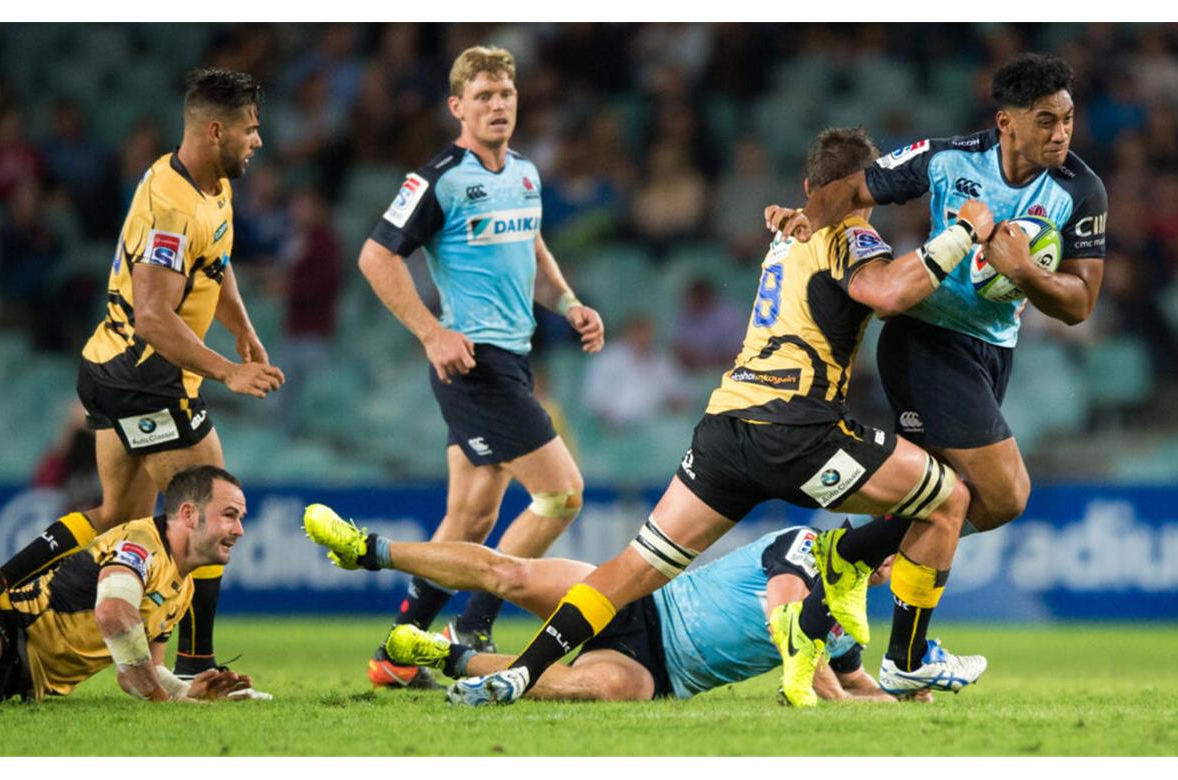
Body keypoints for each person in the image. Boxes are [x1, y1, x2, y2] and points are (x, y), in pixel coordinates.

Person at [454, 126, 992, 709]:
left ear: (808, 187)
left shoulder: (784, 239)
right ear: (870, 190)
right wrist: (964, 232)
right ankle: (904, 657)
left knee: (634, 566)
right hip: (799, 428)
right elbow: (887, 293)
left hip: (726, 428)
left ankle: (521, 672)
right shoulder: (848, 234)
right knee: (950, 498)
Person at [0, 68, 284, 686]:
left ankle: (1, 582)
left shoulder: (211, 187)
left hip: (117, 370)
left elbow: (217, 262)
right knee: (211, 505)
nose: (258, 140)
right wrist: (228, 371)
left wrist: (242, 329)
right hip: (143, 377)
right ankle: (196, 661)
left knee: (117, 513)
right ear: (214, 130)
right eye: (249, 129)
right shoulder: (169, 208)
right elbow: (152, 316)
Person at [765, 52, 1107, 544]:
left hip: (994, 351)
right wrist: (808, 217)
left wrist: (1023, 271)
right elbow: (852, 189)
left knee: (943, 501)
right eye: (1046, 121)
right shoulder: (948, 158)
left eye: (1068, 119)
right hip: (927, 339)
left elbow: (1080, 303)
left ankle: (849, 566)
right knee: (1006, 495)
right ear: (1006, 123)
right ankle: (843, 555)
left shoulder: (1082, 191)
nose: (1061, 134)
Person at [356, 45, 604, 688]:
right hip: (474, 362)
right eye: (484, 97)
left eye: (506, 95)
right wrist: (432, 332)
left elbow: (533, 248)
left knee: (469, 519)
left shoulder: (525, 173)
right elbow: (376, 257)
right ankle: (474, 624)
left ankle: (398, 651)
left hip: (512, 359)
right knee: (561, 494)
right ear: (457, 107)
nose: (497, 106)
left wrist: (569, 303)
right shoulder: (437, 179)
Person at [302, 504, 939, 703]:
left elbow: (853, 682)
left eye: (899, 561)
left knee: (596, 687)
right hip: (643, 601)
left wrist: (899, 698)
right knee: (512, 575)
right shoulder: (804, 545)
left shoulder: (849, 617)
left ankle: (442, 656)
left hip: (660, 672)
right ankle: (371, 548)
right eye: (890, 551)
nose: (893, 565)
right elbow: (786, 614)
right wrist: (834, 691)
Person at [0, 466, 262, 702]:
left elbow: (140, 670)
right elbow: (113, 612)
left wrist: (186, 690)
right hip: (6, 627)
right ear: (189, 514)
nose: (240, 530)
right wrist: (162, 699)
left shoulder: (184, 587)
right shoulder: (141, 544)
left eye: (240, 518)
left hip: (17, 672)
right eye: (229, 515)